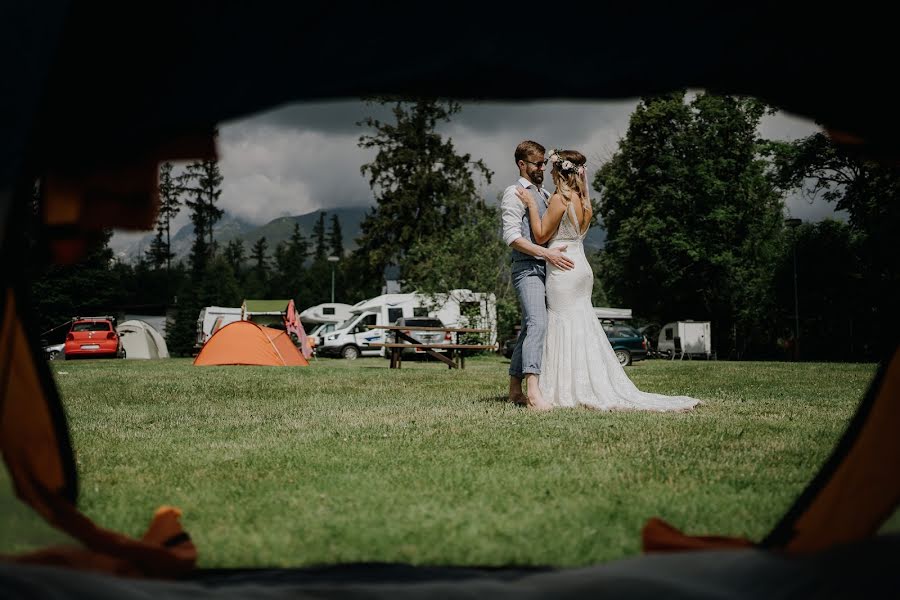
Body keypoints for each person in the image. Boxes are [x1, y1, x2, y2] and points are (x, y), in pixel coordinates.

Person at [515, 149, 700, 411]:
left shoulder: (560, 199)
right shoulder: (584, 201)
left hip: (563, 270)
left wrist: (532, 205)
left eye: (553, 167)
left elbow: (542, 235)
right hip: (581, 269)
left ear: (560, 171)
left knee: (562, 324)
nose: (550, 171)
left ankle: (560, 388)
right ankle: (583, 382)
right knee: (581, 324)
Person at [501, 141, 575, 410]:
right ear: (522, 164)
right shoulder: (514, 192)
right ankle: (533, 393)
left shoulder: (544, 195)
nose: (542, 167)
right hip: (527, 268)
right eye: (537, 163)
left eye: (544, 163)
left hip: (548, 270)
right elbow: (512, 237)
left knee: (529, 328)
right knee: (538, 324)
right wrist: (546, 255)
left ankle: (513, 390)